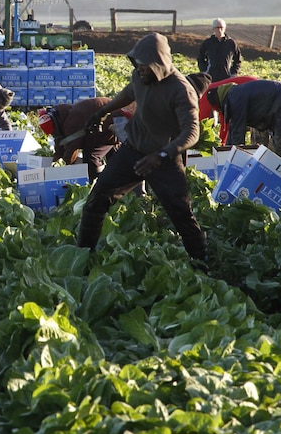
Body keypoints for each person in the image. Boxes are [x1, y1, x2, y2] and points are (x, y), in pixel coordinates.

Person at [76, 33, 210, 268]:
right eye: (137, 65)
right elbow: (129, 93)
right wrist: (102, 111)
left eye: (144, 66)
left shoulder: (181, 91)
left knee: (181, 213)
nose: (139, 70)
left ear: (158, 64)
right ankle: (82, 255)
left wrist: (161, 155)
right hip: (133, 150)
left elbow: (192, 133)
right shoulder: (140, 77)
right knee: (96, 200)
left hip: (164, 159)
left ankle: (203, 262)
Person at [205, 79, 281, 164]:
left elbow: (238, 133)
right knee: (259, 151)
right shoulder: (233, 95)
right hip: (269, 111)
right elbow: (233, 131)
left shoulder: (235, 98)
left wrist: (232, 161)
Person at [37, 97, 127, 182]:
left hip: (112, 121)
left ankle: (96, 183)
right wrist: (55, 159)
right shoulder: (61, 116)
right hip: (104, 123)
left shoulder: (71, 122)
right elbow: (60, 141)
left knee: (91, 156)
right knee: (115, 161)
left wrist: (63, 167)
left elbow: (72, 147)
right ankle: (113, 182)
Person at [197, 18, 242, 82]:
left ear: (225, 28)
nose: (220, 30)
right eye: (217, 28)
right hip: (211, 79)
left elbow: (238, 60)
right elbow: (200, 58)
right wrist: (205, 72)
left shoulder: (231, 43)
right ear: (213, 29)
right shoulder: (207, 43)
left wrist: (233, 73)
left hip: (227, 78)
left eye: (222, 28)